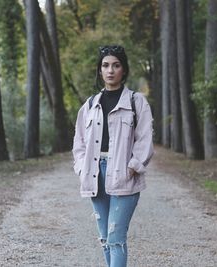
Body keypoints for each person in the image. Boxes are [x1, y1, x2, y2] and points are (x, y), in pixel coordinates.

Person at [72, 45, 154, 267]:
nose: (110, 70)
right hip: (95, 175)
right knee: (105, 239)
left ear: (124, 70)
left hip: (124, 175)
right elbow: (79, 142)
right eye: (105, 65)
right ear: (100, 70)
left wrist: (133, 166)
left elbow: (145, 138)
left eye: (116, 65)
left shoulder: (137, 102)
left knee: (116, 238)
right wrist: (82, 168)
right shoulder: (90, 105)